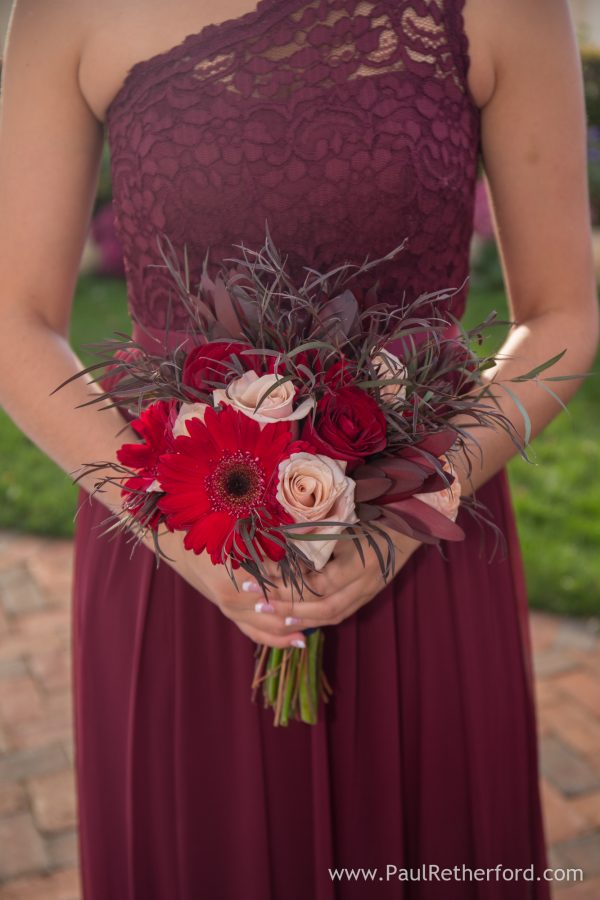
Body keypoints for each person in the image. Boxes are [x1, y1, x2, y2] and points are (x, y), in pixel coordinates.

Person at [0, 0, 597, 897]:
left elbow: (563, 313)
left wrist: (417, 506)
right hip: (175, 548)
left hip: (424, 550)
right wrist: (179, 533)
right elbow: (16, 320)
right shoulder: (65, 12)